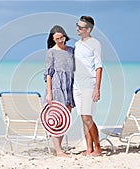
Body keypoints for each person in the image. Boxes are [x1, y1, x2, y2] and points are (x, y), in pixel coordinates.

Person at [43, 25, 75, 157]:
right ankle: (59, 150)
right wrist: (49, 93)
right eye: (57, 39)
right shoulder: (51, 52)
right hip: (56, 87)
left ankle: (58, 148)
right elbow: (49, 74)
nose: (60, 41)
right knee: (56, 118)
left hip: (69, 87)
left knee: (65, 118)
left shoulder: (71, 50)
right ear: (53, 39)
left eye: (61, 37)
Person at [73, 16, 103, 156]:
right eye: (77, 25)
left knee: (87, 117)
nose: (77, 28)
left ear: (88, 29)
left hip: (89, 85)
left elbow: (98, 67)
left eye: (81, 27)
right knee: (83, 118)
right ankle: (89, 148)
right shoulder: (78, 44)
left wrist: (97, 88)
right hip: (77, 86)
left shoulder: (95, 44)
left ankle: (98, 148)